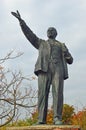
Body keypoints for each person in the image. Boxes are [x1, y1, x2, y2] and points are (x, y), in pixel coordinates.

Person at [11, 11, 73, 125]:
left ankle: (57, 118)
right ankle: (41, 119)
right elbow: (30, 35)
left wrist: (66, 53)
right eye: (48, 30)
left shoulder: (61, 45)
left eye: (52, 30)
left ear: (56, 33)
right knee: (42, 94)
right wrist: (21, 22)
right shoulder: (41, 43)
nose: (50, 31)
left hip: (58, 69)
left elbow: (71, 61)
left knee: (58, 93)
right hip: (44, 69)